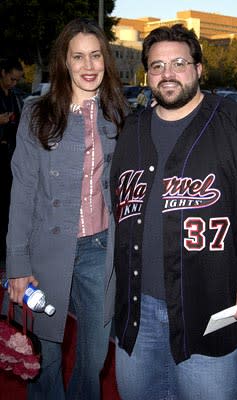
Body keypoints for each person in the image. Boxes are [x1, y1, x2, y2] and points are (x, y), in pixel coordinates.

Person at [110, 24, 237, 400]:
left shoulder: (235, 122)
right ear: (147, 74)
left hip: (209, 306)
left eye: (179, 63)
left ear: (199, 69)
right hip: (139, 310)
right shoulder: (133, 130)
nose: (167, 73)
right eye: (157, 66)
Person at [4, 18, 127, 400]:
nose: (88, 66)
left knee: (93, 358)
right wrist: (18, 266)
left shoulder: (117, 115)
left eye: (95, 56)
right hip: (46, 251)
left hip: (100, 250)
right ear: (64, 62)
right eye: (78, 57)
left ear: (105, 61)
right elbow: (22, 192)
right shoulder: (37, 114)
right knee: (46, 357)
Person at [0, 57, 24, 261]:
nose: (14, 83)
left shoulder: (15, 97)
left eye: (17, 80)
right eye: (12, 79)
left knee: (10, 204)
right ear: (3, 73)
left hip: (10, 157)